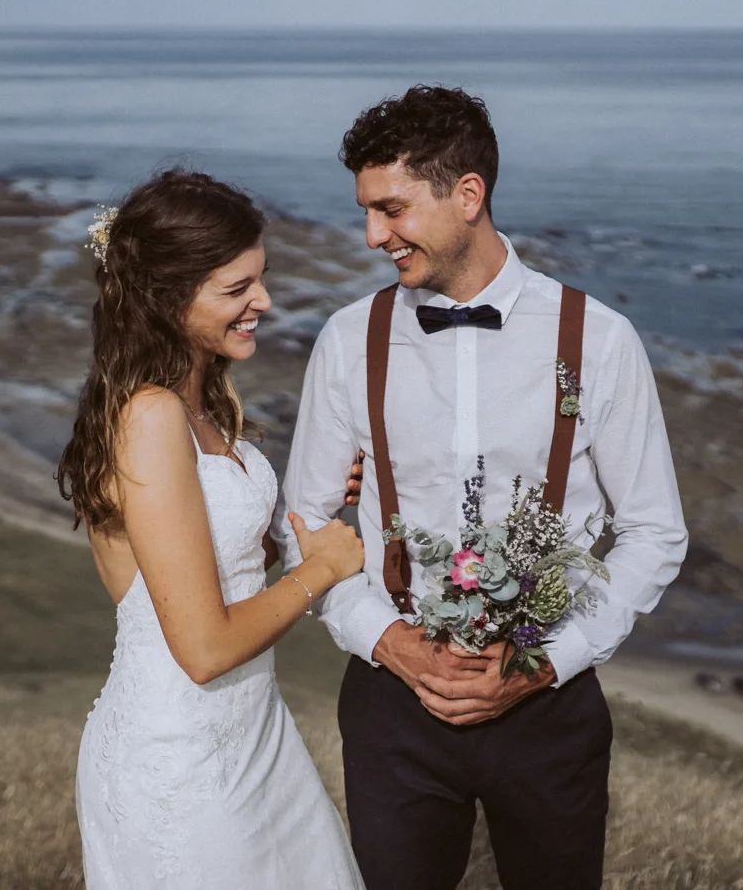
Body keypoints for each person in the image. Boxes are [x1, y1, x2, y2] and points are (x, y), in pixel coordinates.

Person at [280, 86, 689, 890]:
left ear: (468, 195)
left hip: (549, 708)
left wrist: (549, 659)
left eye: (391, 208)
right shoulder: (346, 339)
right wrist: (388, 641)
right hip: (391, 705)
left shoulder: (599, 339)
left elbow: (653, 531)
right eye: (366, 211)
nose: (373, 235)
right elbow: (310, 517)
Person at [62, 168, 369, 888]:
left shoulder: (199, 400)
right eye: (237, 290)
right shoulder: (152, 416)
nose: (263, 301)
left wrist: (295, 524)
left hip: (251, 732)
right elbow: (201, 647)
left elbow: (202, 564)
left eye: (260, 279)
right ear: (170, 299)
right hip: (183, 759)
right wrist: (320, 569)